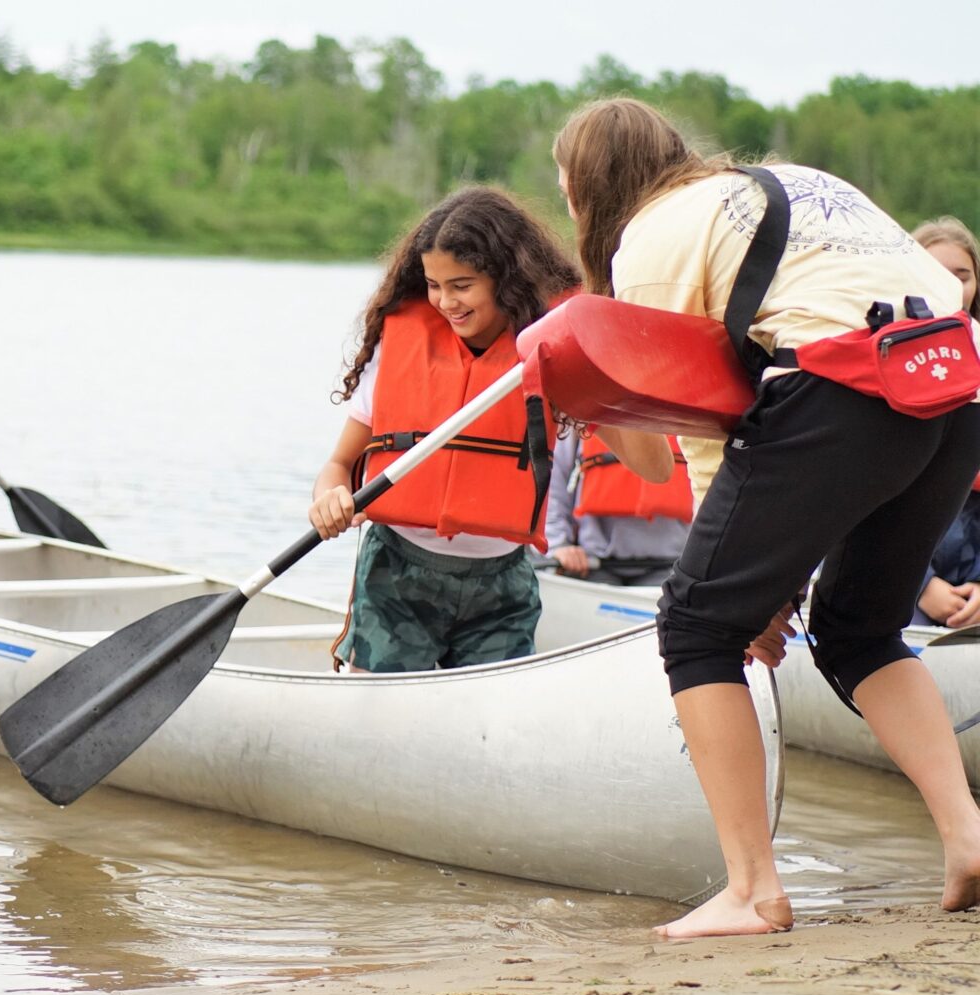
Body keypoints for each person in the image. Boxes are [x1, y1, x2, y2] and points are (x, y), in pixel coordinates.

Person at [553, 96, 980, 939]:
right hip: (954, 386)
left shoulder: (650, 235)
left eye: (565, 187)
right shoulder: (793, 182)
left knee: (696, 625)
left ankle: (751, 890)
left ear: (587, 190)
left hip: (844, 391)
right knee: (858, 628)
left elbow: (706, 426)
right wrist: (769, 581)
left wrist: (747, 594)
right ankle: (969, 832)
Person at [309, 186, 672, 672]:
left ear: (507, 280)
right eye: (434, 284)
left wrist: (599, 371)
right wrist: (329, 497)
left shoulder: (551, 351)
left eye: (462, 285)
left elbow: (656, 468)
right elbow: (339, 465)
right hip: (397, 574)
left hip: (501, 582)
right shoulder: (402, 343)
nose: (444, 302)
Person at [912, 217, 980, 627]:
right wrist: (921, 585)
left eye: (963, 275)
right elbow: (850, 496)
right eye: (935, 273)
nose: (952, 286)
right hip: (897, 580)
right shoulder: (871, 358)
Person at [545, 431, 691, 586]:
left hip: (669, 566)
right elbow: (554, 479)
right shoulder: (584, 411)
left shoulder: (688, 416)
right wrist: (559, 545)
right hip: (590, 563)